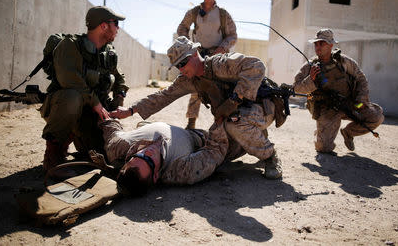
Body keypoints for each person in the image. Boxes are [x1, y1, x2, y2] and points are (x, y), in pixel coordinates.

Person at [110, 36, 282, 181]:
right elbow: (163, 96)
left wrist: (234, 100)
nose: (182, 69)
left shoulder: (219, 64)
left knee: (234, 124)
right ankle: (256, 137)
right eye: (178, 65)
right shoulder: (188, 80)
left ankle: (270, 156)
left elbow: (256, 66)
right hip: (237, 114)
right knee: (220, 152)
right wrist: (131, 110)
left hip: (263, 107)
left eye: (184, 62)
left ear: (195, 53)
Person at [39, 6, 129, 174]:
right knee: (72, 96)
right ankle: (53, 157)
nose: (118, 28)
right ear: (103, 26)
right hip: (64, 107)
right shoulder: (70, 46)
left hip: (90, 115)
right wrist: (95, 103)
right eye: (115, 24)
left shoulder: (107, 53)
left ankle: (78, 138)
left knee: (103, 154)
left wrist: (119, 97)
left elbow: (119, 78)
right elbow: (70, 81)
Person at [292, 29, 384, 153]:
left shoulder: (343, 62)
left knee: (376, 116)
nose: (318, 47)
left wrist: (361, 100)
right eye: (316, 44)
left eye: (322, 43)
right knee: (323, 148)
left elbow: (361, 79)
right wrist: (311, 79)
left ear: (331, 45)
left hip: (350, 104)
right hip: (327, 109)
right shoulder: (309, 66)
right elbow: (296, 88)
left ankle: (348, 133)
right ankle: (323, 132)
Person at [177, 0, 237, 129]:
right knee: (196, 88)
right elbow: (182, 28)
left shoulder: (223, 14)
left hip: (218, 56)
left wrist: (221, 48)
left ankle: (221, 123)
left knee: (221, 88)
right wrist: (189, 46)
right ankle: (191, 123)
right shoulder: (194, 12)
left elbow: (232, 35)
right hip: (199, 54)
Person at [93, 120, 208, 194]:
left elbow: (110, 126)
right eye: (148, 160)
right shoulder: (180, 170)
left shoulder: (119, 147)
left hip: (151, 125)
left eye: (138, 155)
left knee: (141, 125)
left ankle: (145, 125)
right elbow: (214, 154)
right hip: (191, 136)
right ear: (155, 176)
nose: (147, 152)